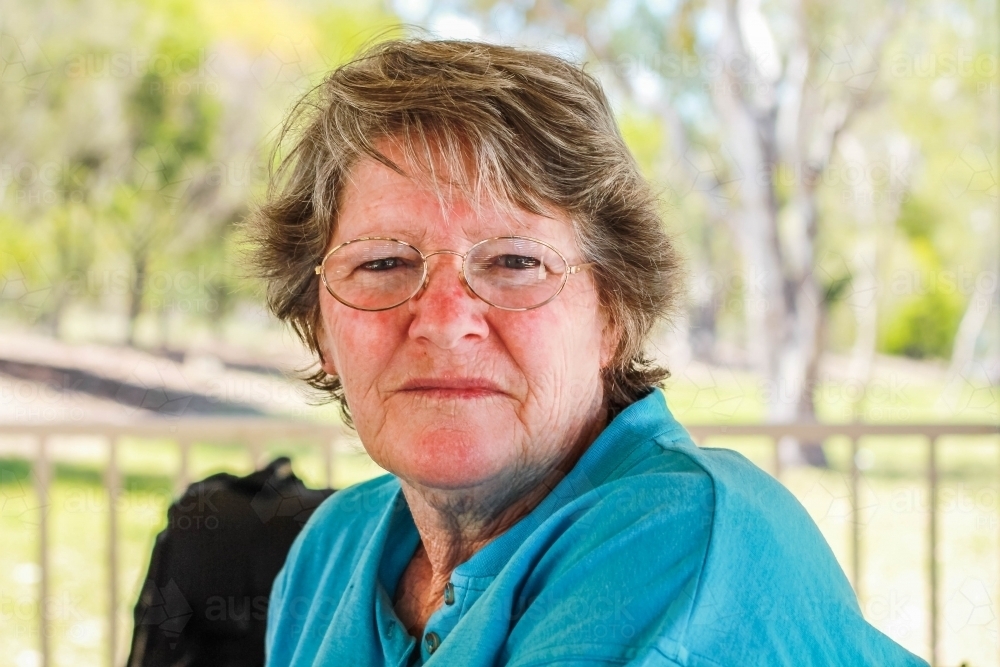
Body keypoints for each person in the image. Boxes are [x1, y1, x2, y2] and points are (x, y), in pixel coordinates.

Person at [250, 39, 926, 666]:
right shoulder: (333, 549)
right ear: (318, 326)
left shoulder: (680, 538)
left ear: (614, 317)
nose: (446, 322)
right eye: (384, 263)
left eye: (515, 260)